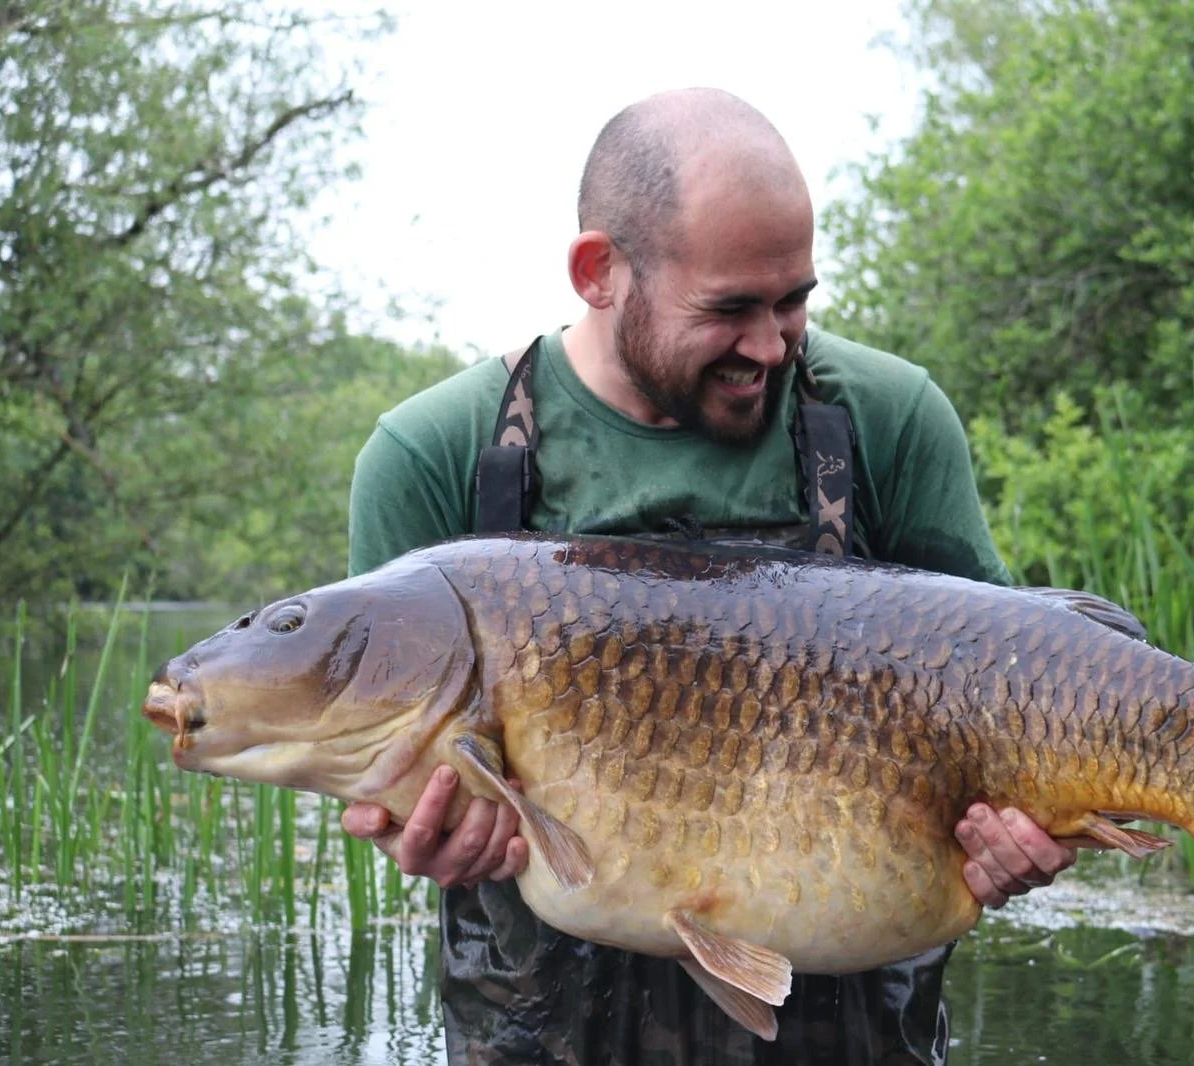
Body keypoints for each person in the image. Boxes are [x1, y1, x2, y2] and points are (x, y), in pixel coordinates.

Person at [341, 87, 1078, 1065]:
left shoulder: (887, 419)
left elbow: (1025, 685)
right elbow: (392, 761)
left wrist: (1025, 833)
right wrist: (417, 836)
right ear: (599, 272)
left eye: (795, 300)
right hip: (541, 1030)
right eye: (729, 308)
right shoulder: (439, 455)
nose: (772, 345)